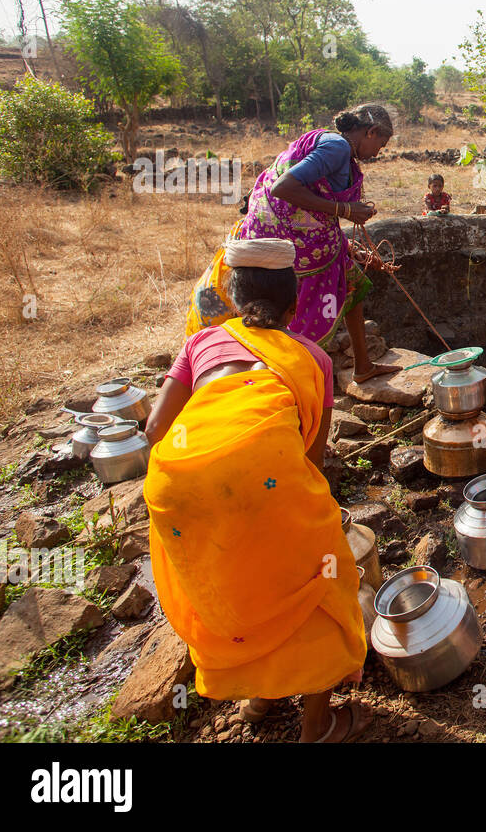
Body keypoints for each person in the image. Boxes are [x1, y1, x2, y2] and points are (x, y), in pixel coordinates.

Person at [146, 238, 373, 742]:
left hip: (174, 483)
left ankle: (257, 696)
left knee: (238, 575)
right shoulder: (312, 358)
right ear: (295, 306)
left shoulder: (199, 344)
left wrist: (210, 451)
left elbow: (157, 429)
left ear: (231, 295)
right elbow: (310, 466)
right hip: (266, 476)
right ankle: (317, 726)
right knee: (319, 583)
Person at [186, 103, 401, 383]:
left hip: (300, 234)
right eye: (380, 145)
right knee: (292, 312)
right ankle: (286, 377)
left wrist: (350, 246)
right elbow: (283, 187)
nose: (377, 154)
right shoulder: (337, 148)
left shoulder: (329, 143)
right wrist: (346, 211)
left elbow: (311, 205)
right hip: (289, 242)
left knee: (355, 285)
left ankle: (363, 366)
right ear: (370, 132)